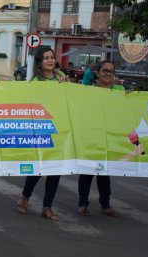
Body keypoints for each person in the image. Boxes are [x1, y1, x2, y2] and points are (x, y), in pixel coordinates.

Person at [16, 46, 68, 221]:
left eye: (52, 57)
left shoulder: (62, 78)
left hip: (60, 129)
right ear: (39, 62)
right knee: (38, 168)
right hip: (42, 129)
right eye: (46, 58)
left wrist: (67, 87)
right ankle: (25, 195)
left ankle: (47, 206)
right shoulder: (35, 83)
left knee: (55, 170)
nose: (50, 60)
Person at [77, 60, 122, 217]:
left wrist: (131, 97)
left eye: (111, 71)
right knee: (87, 172)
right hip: (91, 136)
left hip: (109, 137)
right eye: (105, 70)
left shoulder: (120, 90)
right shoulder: (88, 90)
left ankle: (105, 205)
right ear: (97, 73)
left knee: (104, 173)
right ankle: (83, 204)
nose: (108, 74)